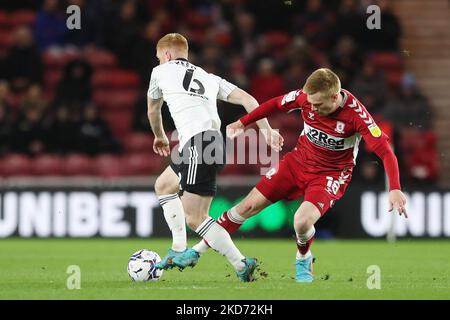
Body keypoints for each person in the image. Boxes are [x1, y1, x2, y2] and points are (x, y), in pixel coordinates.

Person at [176, 68, 407, 283]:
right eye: (310, 103)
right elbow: (274, 105)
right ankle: (198, 251)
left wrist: (395, 187)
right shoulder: (305, 98)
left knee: (302, 221)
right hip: (296, 163)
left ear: (335, 97)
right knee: (245, 207)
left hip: (329, 175)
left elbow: (386, 152)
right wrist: (243, 122)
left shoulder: (356, 115)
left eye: (318, 104)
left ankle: (303, 257)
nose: (312, 108)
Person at [147, 33, 282, 282]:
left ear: (165, 55)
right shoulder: (208, 77)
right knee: (164, 186)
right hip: (210, 142)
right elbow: (248, 99)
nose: (158, 62)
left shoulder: (160, 72)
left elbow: (153, 108)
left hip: (199, 144)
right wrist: (267, 131)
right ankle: (178, 248)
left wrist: (159, 136)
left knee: (195, 217)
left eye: (158, 58)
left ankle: (240, 263)